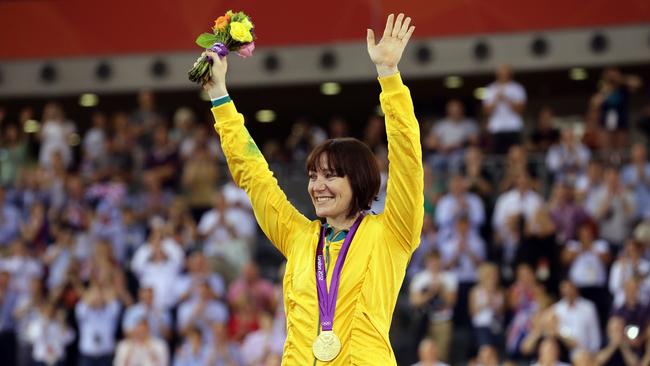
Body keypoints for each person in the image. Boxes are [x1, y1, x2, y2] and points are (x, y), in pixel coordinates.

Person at [202, 13, 422, 365]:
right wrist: (219, 97)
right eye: (313, 176)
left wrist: (389, 77)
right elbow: (255, 176)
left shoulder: (392, 233)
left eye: (330, 176)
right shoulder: (299, 237)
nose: (318, 187)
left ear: (359, 180)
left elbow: (408, 161)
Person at [482, 64, 527, 154]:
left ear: (510, 74)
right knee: (497, 156)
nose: (503, 75)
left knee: (516, 153)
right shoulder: (490, 89)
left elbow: (521, 109)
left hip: (513, 127)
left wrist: (506, 99)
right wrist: (496, 100)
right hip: (496, 128)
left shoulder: (517, 88)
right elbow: (486, 111)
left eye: (505, 73)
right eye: (501, 73)